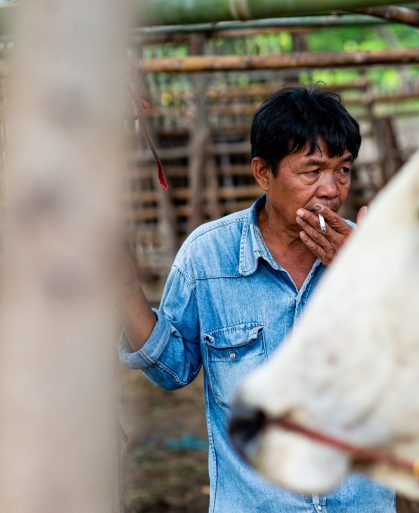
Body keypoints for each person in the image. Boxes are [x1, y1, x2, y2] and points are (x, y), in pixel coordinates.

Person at [119, 86, 395, 513]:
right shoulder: (208, 257)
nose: (331, 190)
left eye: (343, 170)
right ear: (263, 173)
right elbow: (170, 370)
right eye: (312, 171)